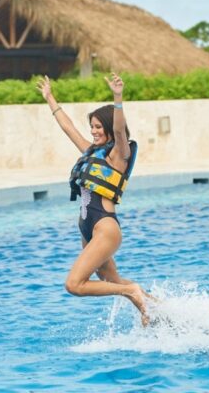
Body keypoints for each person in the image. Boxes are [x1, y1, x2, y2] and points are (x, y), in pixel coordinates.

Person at [37, 73, 150, 326]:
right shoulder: (91, 151)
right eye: (93, 127)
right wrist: (50, 98)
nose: (94, 131)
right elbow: (68, 128)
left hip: (104, 227)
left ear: (109, 128)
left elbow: (120, 129)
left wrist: (117, 97)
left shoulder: (119, 155)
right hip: (88, 229)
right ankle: (163, 311)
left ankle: (131, 291)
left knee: (74, 284)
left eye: (99, 127)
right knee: (114, 281)